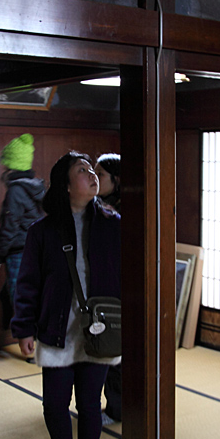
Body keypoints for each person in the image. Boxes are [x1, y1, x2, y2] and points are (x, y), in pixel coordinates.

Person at [11, 151, 121, 439]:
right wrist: (23, 328)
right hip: (57, 328)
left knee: (89, 405)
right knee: (54, 405)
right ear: (66, 185)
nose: (92, 173)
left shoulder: (113, 225)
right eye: (82, 170)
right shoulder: (42, 231)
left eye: (92, 169)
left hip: (98, 331)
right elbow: (27, 283)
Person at [0, 134, 45, 335]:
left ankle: (28, 339)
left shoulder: (16, 191)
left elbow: (9, 228)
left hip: (19, 252)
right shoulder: (35, 187)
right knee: (28, 295)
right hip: (35, 251)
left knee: (19, 298)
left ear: (11, 165)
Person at [95, 152, 122, 424]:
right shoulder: (96, 206)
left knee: (116, 355)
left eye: (100, 174)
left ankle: (116, 408)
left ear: (116, 179)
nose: (95, 178)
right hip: (99, 290)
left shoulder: (120, 211)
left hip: (118, 290)